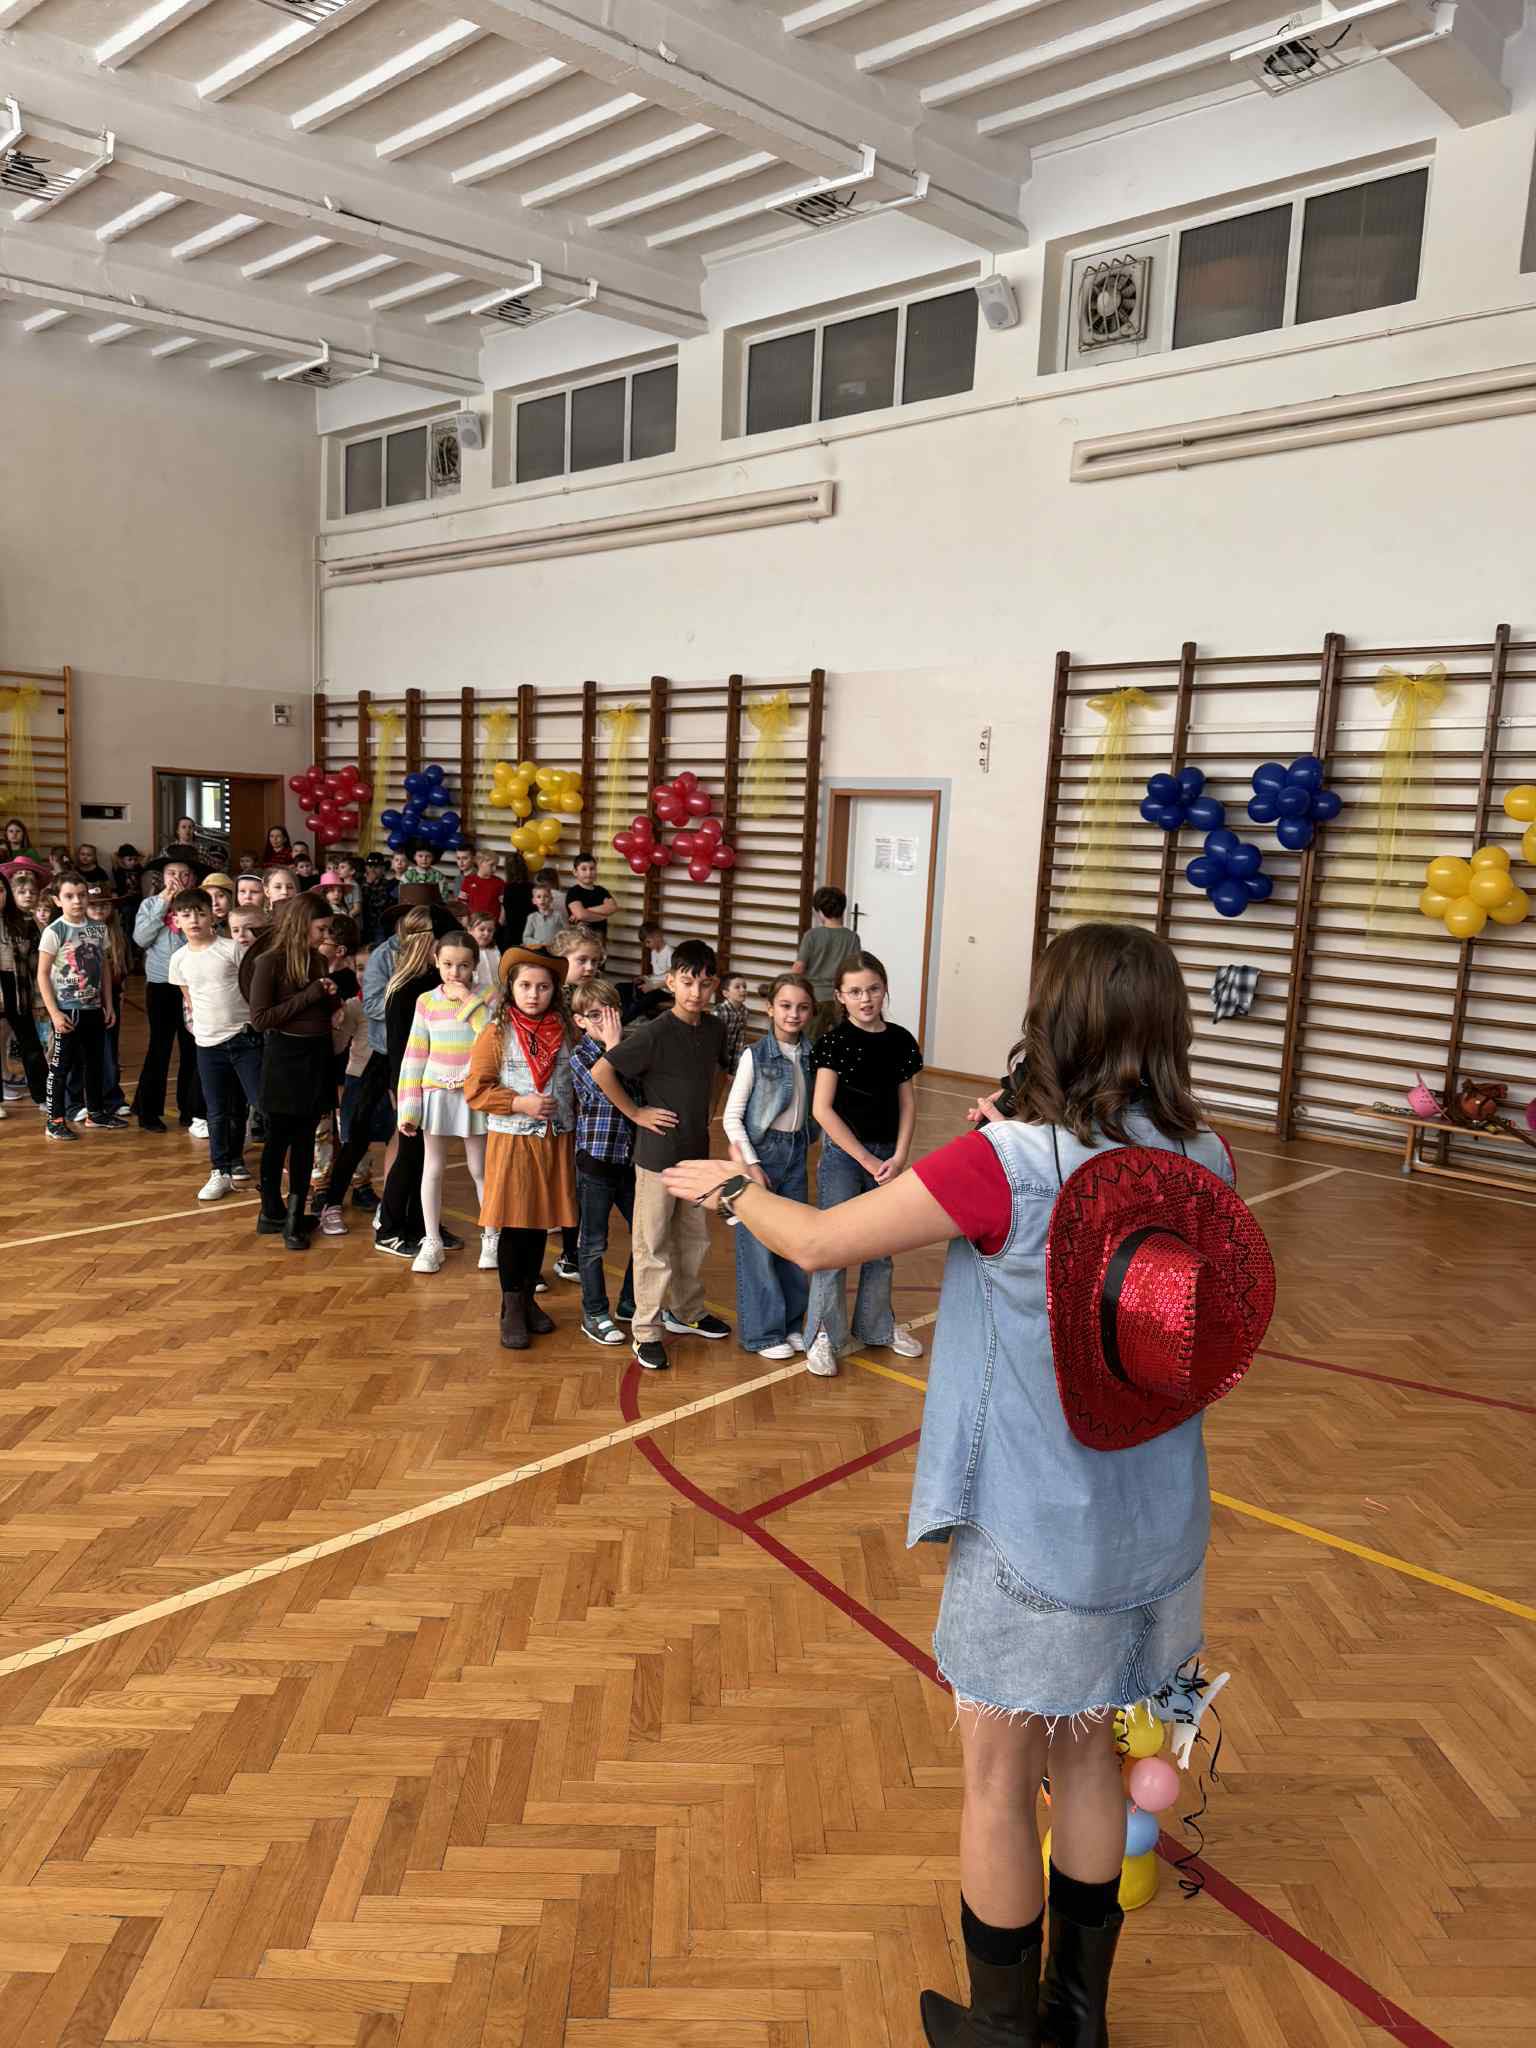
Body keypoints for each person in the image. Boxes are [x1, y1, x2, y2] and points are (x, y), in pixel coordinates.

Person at [662, 923, 1275, 2048]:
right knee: (1089, 1755)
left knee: (997, 1779)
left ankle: (1001, 2033)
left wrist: (734, 1187)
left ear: (1053, 1021)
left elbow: (822, 1240)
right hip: (1156, 1533)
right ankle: (1076, 2020)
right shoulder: (1209, 1157)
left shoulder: (1003, 1165)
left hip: (1034, 1535)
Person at [591, 938, 734, 1372]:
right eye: (687, 982)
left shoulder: (714, 1028)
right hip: (657, 1157)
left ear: (715, 986)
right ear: (670, 982)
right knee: (652, 1244)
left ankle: (686, 1311)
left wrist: (710, 1109)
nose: (696, 992)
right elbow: (602, 1071)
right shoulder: (654, 1032)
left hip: (696, 1157)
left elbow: (720, 1071)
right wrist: (636, 1113)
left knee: (693, 1241)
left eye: (705, 984)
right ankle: (646, 1331)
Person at [802, 951, 925, 1379]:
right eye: (855, 992)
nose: (865, 998)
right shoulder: (834, 1043)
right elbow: (822, 1109)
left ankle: (876, 1326)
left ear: (884, 989)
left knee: (881, 1247)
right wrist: (866, 1158)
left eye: (873, 989)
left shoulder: (901, 1040)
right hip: (845, 1157)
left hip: (887, 1157)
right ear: (840, 996)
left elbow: (908, 1103)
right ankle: (822, 1334)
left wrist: (899, 1155)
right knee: (834, 1247)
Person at [465, 948, 577, 1350]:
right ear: (511, 988)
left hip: (556, 1139)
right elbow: (476, 1089)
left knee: (539, 1224)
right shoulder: (497, 1033)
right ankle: (510, 1307)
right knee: (515, 1225)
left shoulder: (567, 1031)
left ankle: (528, 1299)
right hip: (514, 1141)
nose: (533, 994)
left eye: (543, 987)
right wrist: (518, 1102)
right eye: (525, 985)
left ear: (554, 991)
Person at [722, 974, 816, 1359]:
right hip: (763, 1154)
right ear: (770, 1008)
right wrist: (752, 1164)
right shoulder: (755, 1056)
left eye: (802, 1007)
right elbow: (731, 1118)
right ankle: (762, 1333)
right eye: (786, 1006)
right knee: (759, 1247)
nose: (793, 1014)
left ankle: (792, 1324)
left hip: (796, 1155)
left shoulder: (812, 1055)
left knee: (792, 1244)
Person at [393, 931, 492, 1274]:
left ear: (475, 965)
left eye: (463, 966)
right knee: (432, 1168)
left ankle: (491, 1237)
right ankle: (432, 1240)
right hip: (436, 1093)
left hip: (474, 1095)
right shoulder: (426, 1001)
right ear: (436, 962)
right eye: (448, 964)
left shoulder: (487, 996)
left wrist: (467, 999)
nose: (455, 972)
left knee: (480, 1169)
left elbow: (491, 1038)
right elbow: (414, 1055)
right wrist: (409, 1109)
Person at [247, 892, 340, 1251]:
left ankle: (294, 1214)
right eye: (321, 928)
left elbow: (318, 1008)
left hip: (316, 1056)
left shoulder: (318, 960)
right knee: (279, 1137)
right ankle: (271, 1210)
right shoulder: (269, 962)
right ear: (302, 925)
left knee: (305, 1138)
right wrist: (313, 993)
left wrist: (330, 996)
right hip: (285, 1057)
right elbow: (261, 1019)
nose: (326, 935)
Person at [373, 909, 457, 1261]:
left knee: (426, 1157)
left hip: (434, 1081)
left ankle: (422, 1224)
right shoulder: (405, 988)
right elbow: (399, 1049)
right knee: (409, 1156)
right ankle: (388, 1228)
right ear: (431, 943)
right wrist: (402, 1092)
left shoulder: (433, 983)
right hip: (412, 1082)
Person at [168, 886, 262, 1200]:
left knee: (252, 1103)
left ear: (212, 916)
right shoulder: (179, 959)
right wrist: (204, 1030)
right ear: (177, 920)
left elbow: (251, 988)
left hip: (244, 1038)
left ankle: (241, 1160)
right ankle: (220, 1169)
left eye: (200, 913)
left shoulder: (231, 949)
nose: (194, 920)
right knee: (218, 1110)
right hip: (208, 1045)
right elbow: (190, 1000)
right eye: (186, 915)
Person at [568, 976, 637, 1345]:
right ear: (580, 1020)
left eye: (611, 1014)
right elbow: (603, 1090)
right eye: (595, 1016)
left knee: (646, 1233)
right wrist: (613, 1048)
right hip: (595, 1162)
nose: (606, 1022)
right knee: (593, 1242)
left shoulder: (630, 1048)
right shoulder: (580, 1056)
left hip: (629, 1160)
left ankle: (629, 1301)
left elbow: (639, 1091)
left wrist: (619, 1048)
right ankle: (594, 1313)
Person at [131, 857, 207, 1135]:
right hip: (161, 984)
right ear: (162, 878)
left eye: (184, 874)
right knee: (159, 1048)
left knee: (191, 1048)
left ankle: (190, 1110)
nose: (178, 879)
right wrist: (163, 903)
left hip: (193, 985)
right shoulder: (150, 904)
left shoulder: (198, 907)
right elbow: (141, 939)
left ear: (192, 879)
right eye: (171, 873)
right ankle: (148, 1111)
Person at [38, 872, 116, 1137]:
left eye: (81, 895)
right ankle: (55, 1121)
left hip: (93, 1008)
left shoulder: (98, 928)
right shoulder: (54, 931)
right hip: (66, 1009)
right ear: (57, 900)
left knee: (95, 1063)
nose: (77, 901)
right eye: (69, 896)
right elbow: (42, 974)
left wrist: (108, 1004)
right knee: (61, 1067)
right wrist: (54, 1013)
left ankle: (95, 1113)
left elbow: (104, 967)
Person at [69, 884, 131, 1125]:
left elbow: (120, 971)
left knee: (108, 1050)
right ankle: (75, 1102)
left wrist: (115, 1000)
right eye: (93, 905)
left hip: (108, 997)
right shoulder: (74, 931)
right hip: (79, 998)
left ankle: (111, 1098)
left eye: (104, 905)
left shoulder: (115, 934)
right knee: (77, 1052)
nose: (99, 909)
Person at [0, 867, 47, 1107]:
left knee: (31, 1044)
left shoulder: (24, 921)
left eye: (1, 890)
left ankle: (42, 1096)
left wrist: (39, 1000)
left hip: (18, 988)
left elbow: (35, 965)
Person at [792, 885, 862, 1041]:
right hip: (841, 1000)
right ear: (843, 909)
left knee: (810, 1042)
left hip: (815, 998)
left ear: (820, 912)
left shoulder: (812, 935)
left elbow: (799, 968)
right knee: (841, 1042)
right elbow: (855, 969)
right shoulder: (852, 937)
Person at [565, 852, 617, 943]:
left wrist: (587, 910)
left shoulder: (601, 890)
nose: (589, 873)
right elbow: (581, 915)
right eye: (584, 869)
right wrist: (602, 916)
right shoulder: (573, 892)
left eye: (592, 869)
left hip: (600, 939)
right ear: (575, 872)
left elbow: (612, 907)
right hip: (579, 941)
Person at [459, 846, 506, 925]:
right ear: (480, 863)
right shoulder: (468, 880)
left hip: (492, 924)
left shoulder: (500, 882)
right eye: (491, 865)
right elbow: (462, 903)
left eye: (496, 866)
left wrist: (500, 922)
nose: (494, 869)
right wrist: (465, 923)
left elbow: (504, 905)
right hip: (473, 923)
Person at [715, 972, 750, 1074]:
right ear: (726, 993)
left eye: (744, 987)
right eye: (737, 987)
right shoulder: (719, 1011)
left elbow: (740, 1042)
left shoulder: (744, 1012)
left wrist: (733, 1070)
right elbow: (713, 1041)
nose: (743, 990)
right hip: (715, 1057)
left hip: (730, 1056)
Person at [499, 851, 534, 951]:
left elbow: (502, 919)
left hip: (512, 934)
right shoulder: (532, 887)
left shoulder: (508, 888)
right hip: (529, 933)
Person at [522, 877, 567, 951]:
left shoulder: (558, 915)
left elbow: (567, 933)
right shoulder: (532, 917)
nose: (542, 899)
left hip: (555, 950)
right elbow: (526, 938)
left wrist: (559, 944)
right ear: (534, 901)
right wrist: (540, 943)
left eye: (546, 896)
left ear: (551, 899)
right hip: (538, 951)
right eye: (539, 897)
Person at [359, 853, 394, 943]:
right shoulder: (360, 883)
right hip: (363, 923)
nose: (372, 869)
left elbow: (380, 903)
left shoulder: (388, 884)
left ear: (383, 869)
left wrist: (370, 884)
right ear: (366, 868)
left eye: (376, 867)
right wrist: (367, 884)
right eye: (370, 866)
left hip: (380, 924)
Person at [466, 910, 500, 995]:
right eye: (481, 929)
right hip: (477, 996)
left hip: (497, 995)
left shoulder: (495, 950)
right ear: (470, 930)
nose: (486, 933)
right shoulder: (467, 952)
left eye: (490, 930)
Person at [638, 920, 672, 988]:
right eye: (645, 943)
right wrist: (645, 978)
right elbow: (657, 975)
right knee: (621, 987)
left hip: (663, 989)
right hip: (653, 985)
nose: (646, 945)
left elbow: (671, 978)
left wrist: (653, 986)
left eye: (648, 942)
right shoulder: (653, 952)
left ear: (658, 936)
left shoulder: (670, 952)